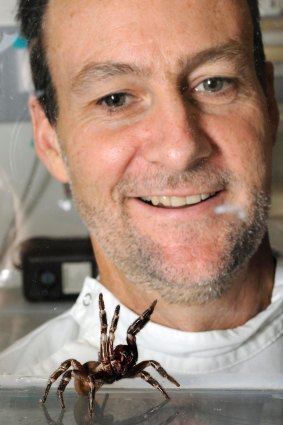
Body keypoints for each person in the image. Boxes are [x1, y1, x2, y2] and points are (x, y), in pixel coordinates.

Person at [0, 0, 281, 388]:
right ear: (49, 141)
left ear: (270, 105)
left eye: (213, 83)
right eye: (115, 99)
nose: (179, 151)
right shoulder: (17, 395)